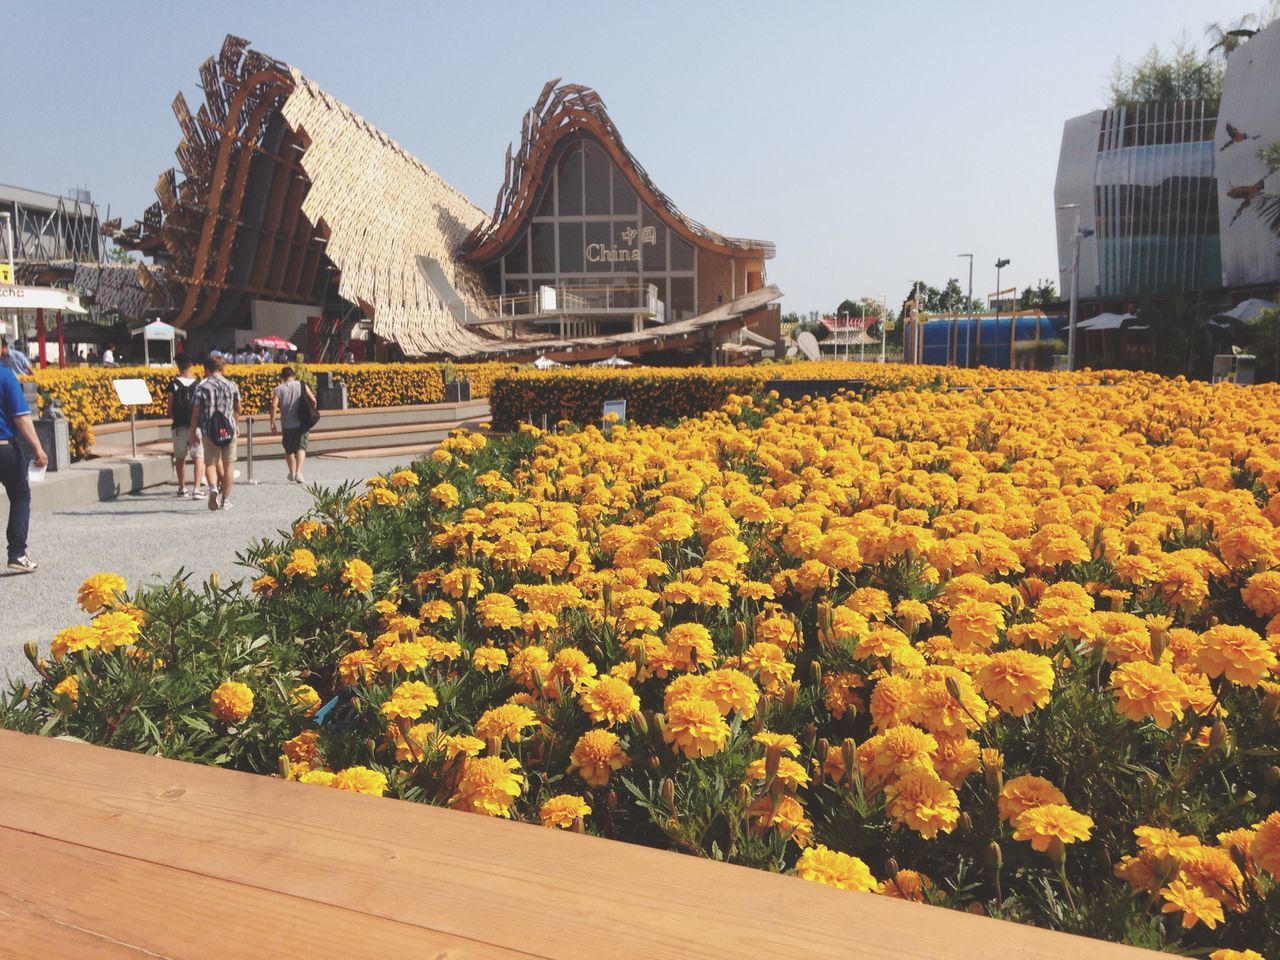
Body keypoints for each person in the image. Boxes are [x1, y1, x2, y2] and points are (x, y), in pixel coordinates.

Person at [0, 360, 48, 572]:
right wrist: (38, 448)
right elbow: (20, 417)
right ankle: (17, 553)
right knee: (20, 496)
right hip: (4, 448)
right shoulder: (5, 376)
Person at [189, 353, 242, 511]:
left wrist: (192, 433)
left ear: (206, 369)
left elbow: (195, 414)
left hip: (208, 430)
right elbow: (238, 409)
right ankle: (226, 500)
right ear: (222, 369)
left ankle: (213, 487)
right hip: (229, 429)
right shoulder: (231, 385)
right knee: (228, 465)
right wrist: (235, 423)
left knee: (210, 463)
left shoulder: (201, 386)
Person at [166, 357, 205, 498]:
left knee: (180, 457)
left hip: (179, 426)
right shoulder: (199, 384)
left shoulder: (173, 384)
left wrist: (175, 417)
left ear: (178, 366)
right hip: (197, 427)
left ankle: (182, 487)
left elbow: (169, 408)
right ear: (191, 365)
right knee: (198, 457)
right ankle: (197, 488)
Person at [270, 366, 316, 483]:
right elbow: (313, 400)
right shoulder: (301, 385)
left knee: (289, 450)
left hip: (287, 424)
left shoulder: (278, 389)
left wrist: (272, 422)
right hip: (302, 423)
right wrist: (311, 412)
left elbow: (274, 405)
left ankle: (292, 473)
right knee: (301, 448)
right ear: (293, 376)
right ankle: (299, 473)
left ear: (282, 377)